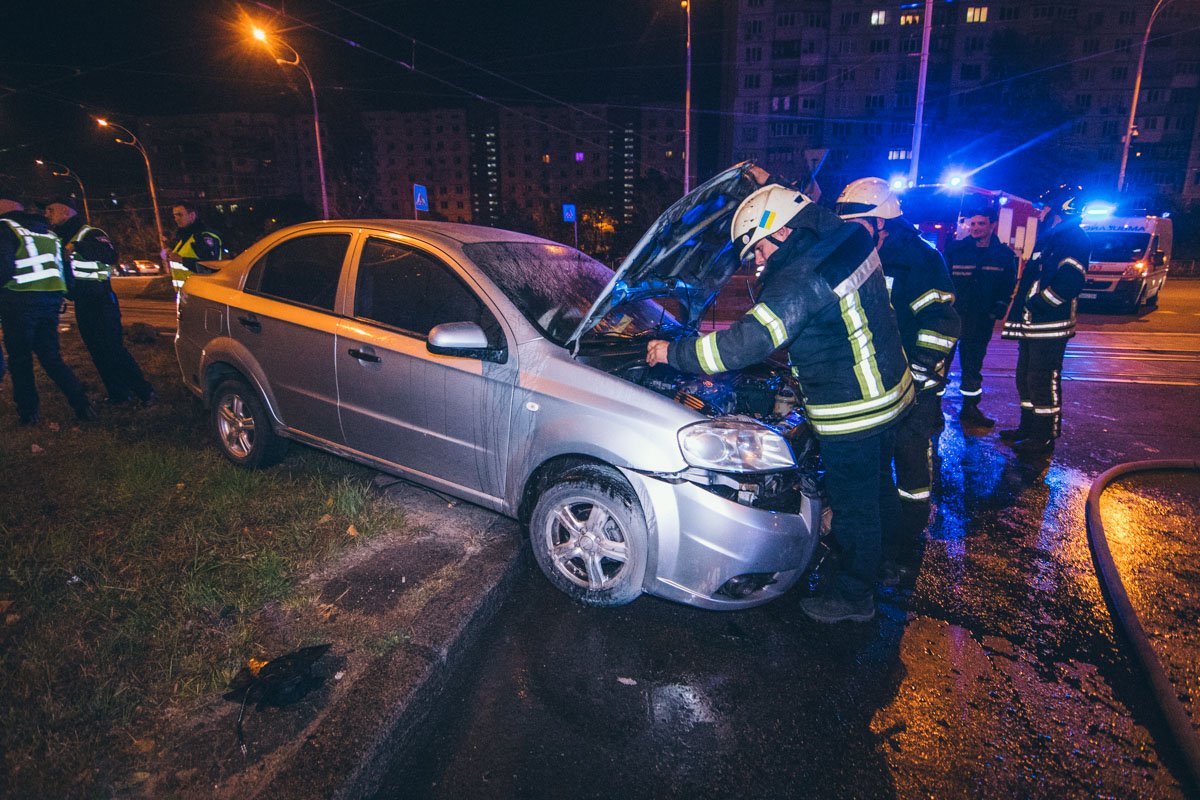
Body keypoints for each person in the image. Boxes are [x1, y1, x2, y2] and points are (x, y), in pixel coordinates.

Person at [646, 181, 913, 624]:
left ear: (783, 231)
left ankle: (853, 596)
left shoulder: (800, 277)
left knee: (854, 508)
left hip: (853, 409)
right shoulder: (846, 237)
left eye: (759, 250)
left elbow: (742, 346)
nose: (757, 263)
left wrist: (672, 353)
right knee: (878, 491)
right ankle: (887, 562)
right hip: (888, 391)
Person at [835, 178, 960, 581]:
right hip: (878, 385)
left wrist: (921, 373)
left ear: (881, 222)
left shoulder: (920, 260)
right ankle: (881, 540)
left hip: (915, 389)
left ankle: (908, 547)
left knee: (911, 469)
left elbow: (941, 322)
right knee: (874, 467)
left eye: (858, 226)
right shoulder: (863, 256)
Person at [1000, 184, 1092, 457]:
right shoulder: (1052, 239)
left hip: (1049, 325)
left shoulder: (1073, 238)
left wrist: (1041, 304)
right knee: (1026, 378)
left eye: (1046, 207)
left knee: (1043, 380)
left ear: (1062, 208)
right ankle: (1028, 428)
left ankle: (1044, 436)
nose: (1041, 212)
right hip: (1033, 325)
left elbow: (1071, 280)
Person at [45, 198, 156, 407]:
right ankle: (119, 395)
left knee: (113, 349)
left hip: (101, 301)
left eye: (51, 210)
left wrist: (77, 247)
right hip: (82, 303)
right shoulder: (59, 238)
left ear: (66, 211)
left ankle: (145, 391)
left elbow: (110, 254)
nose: (47, 214)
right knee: (97, 351)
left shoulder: (90, 233)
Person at [0, 189, 94, 425]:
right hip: (50, 305)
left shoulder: (5, 229)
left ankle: (29, 413)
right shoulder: (49, 233)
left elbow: (3, 270)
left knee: (20, 360)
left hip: (18, 304)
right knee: (51, 357)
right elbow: (66, 274)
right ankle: (82, 405)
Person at [944, 201, 1017, 429]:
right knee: (941, 364)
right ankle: (931, 409)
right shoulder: (955, 250)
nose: (975, 228)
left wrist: (998, 308)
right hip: (953, 317)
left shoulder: (1004, 255)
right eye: (972, 223)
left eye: (981, 224)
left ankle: (970, 408)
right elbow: (943, 279)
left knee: (973, 365)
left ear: (992, 225)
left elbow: (1007, 285)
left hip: (981, 319)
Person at [163, 201, 223, 291]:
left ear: (192, 216)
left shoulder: (203, 237)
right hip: (186, 295)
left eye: (180, 215)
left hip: (200, 293)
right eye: (175, 215)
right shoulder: (184, 237)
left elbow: (211, 267)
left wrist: (182, 260)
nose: (176, 219)